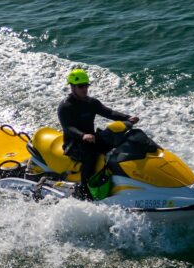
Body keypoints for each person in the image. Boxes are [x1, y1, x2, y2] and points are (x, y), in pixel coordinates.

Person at [57, 68, 139, 200]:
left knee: (117, 144)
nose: (84, 89)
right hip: (73, 144)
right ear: (72, 87)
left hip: (91, 139)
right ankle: (84, 191)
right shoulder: (65, 106)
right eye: (80, 86)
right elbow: (68, 127)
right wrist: (82, 135)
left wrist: (127, 118)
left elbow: (109, 113)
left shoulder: (91, 103)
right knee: (92, 156)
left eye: (86, 85)